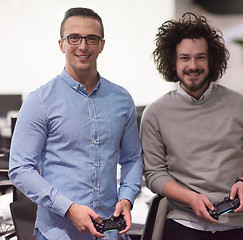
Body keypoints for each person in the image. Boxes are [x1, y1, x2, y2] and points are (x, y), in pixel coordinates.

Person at [9, 7, 143, 240]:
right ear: (61, 44)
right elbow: (20, 169)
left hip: (111, 232)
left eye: (91, 39)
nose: (83, 46)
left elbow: (132, 158)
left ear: (101, 45)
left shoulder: (121, 99)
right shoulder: (40, 101)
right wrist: (69, 208)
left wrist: (127, 199)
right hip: (58, 233)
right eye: (74, 38)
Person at [140, 12, 243, 240]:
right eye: (185, 58)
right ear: (173, 61)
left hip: (235, 223)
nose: (193, 65)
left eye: (200, 57)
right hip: (182, 222)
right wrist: (191, 198)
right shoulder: (155, 113)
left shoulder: (240, 103)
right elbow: (154, 174)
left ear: (212, 60)